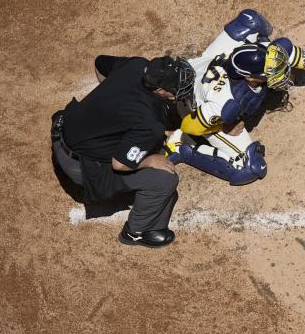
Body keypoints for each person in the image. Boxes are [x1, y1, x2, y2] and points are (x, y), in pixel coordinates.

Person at [163, 9, 305, 185]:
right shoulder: (226, 102)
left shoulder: (270, 54)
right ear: (250, 77)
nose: (283, 75)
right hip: (195, 107)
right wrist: (224, 125)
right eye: (272, 74)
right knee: (251, 168)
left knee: (251, 20)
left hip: (202, 64)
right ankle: (182, 148)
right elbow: (191, 125)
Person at [51, 55, 196, 247]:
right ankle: (137, 232)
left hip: (65, 129)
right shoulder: (150, 122)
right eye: (176, 88)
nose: (182, 89)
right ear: (160, 90)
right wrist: (149, 160)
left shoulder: (137, 65)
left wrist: (115, 103)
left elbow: (100, 63)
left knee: (145, 143)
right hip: (79, 165)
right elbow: (119, 165)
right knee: (164, 179)